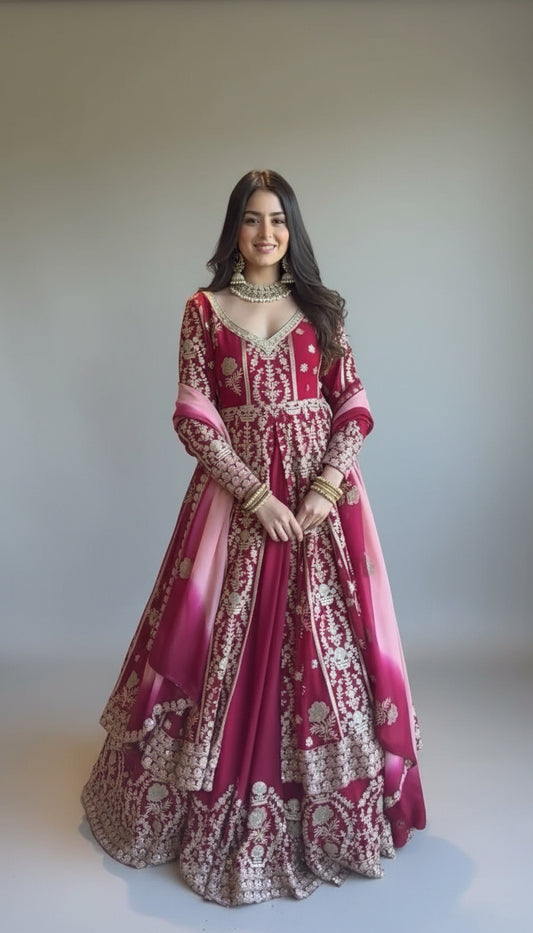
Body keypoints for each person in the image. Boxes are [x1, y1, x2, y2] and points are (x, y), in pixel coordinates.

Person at [82, 169, 426, 906]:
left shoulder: (323, 311)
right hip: (234, 502)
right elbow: (191, 411)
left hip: (320, 505)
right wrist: (254, 494)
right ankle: (199, 797)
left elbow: (353, 405)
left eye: (277, 220)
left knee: (325, 643)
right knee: (212, 636)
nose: (265, 232)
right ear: (233, 229)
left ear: (291, 230)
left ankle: (330, 812)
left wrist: (325, 489)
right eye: (250, 219)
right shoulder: (202, 309)